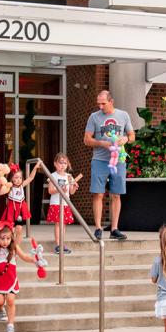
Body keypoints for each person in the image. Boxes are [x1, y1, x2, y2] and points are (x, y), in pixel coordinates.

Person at [83, 90, 134, 240]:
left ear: (111, 101)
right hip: (99, 160)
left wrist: (125, 139)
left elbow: (132, 136)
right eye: (98, 103)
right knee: (98, 193)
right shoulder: (94, 117)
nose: (100, 106)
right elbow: (86, 139)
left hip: (119, 160)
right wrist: (101, 143)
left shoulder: (123, 115)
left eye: (103, 103)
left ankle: (114, 229)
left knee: (116, 195)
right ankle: (98, 228)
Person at [46, 152, 81, 254]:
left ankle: (62, 243)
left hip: (65, 203)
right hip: (56, 203)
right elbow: (50, 191)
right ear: (55, 164)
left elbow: (71, 192)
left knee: (63, 224)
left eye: (65, 163)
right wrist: (59, 189)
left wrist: (74, 187)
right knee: (58, 224)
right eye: (60, 163)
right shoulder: (52, 176)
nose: (63, 165)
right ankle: (57, 245)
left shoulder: (69, 176)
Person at [0, 162, 38, 241]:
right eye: (16, 178)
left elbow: (31, 178)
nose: (18, 180)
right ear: (11, 178)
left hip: (20, 211)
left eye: (20, 178)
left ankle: (17, 248)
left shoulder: (21, 186)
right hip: (11, 212)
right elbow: (0, 193)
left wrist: (35, 168)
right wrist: (0, 185)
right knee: (11, 230)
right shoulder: (8, 187)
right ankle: (10, 246)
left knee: (19, 229)